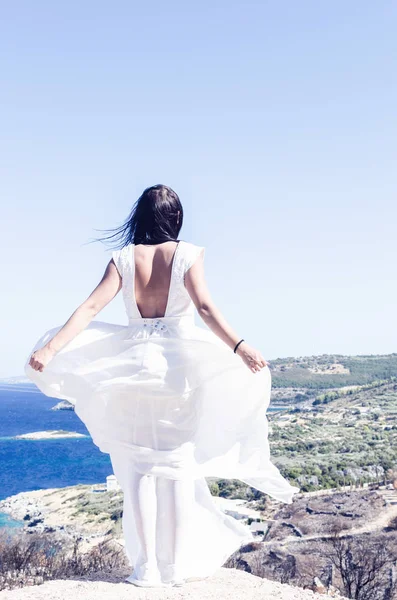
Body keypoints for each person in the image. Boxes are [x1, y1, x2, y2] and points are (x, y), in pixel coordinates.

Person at [25, 184, 299, 588]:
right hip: (177, 374)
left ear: (141, 215)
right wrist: (240, 347)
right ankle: (173, 567)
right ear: (175, 217)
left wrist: (50, 349)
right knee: (177, 470)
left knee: (136, 470)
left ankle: (145, 567)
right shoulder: (189, 254)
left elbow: (89, 308)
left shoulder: (122, 258)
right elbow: (204, 307)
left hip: (132, 370)